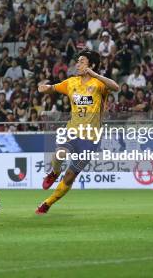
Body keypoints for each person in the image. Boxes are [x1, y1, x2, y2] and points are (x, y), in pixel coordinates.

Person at [35, 50, 119, 214]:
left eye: (82, 61)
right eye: (78, 61)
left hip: (91, 138)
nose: (77, 64)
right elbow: (53, 87)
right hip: (72, 131)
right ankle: (54, 173)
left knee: (70, 177)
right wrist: (45, 88)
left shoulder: (99, 84)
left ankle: (47, 203)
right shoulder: (71, 82)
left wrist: (94, 74)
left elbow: (116, 87)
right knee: (59, 154)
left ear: (91, 65)